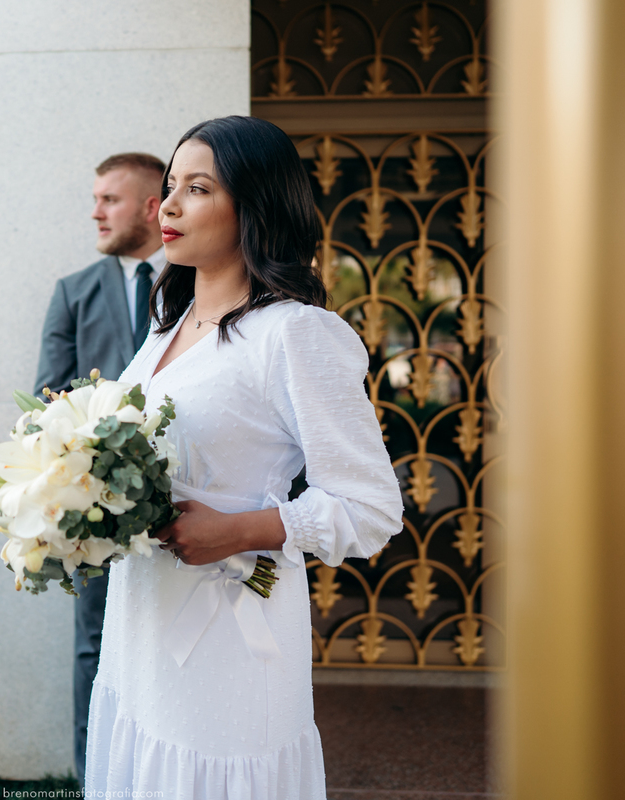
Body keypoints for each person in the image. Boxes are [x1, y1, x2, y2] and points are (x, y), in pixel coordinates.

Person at [84, 116, 403, 798]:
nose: (167, 206)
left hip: (229, 627)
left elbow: (371, 508)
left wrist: (237, 530)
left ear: (254, 206)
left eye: (196, 188)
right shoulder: (166, 324)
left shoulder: (294, 335)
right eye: (170, 185)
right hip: (141, 621)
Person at [33, 152, 167, 782]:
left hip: (196, 503)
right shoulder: (73, 292)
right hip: (99, 510)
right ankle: (96, 780)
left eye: (109, 199)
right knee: (95, 645)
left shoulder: (202, 284)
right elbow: (45, 405)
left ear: (149, 205)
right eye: (95, 198)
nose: (95, 211)